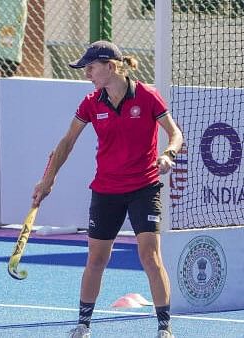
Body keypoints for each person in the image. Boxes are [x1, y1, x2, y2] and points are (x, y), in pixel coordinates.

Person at [31, 41, 183, 338]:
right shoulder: (91, 102)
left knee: (149, 255)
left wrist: (169, 155)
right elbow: (67, 142)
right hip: (106, 190)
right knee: (96, 258)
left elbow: (175, 133)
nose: (86, 73)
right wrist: (47, 179)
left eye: (91, 68)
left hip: (144, 186)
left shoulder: (147, 96)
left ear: (110, 67)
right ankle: (83, 324)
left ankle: (164, 327)